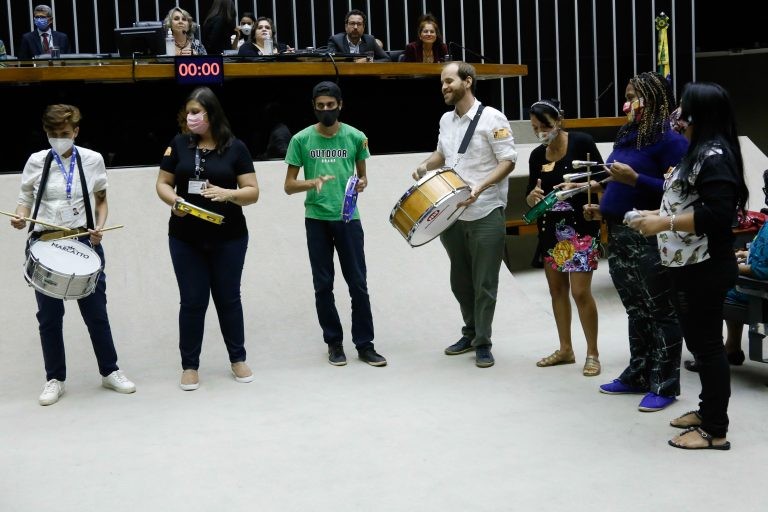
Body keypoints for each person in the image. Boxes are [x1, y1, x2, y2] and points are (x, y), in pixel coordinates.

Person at [627, 82, 747, 450]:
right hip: (688, 264)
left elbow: (718, 213)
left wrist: (663, 224)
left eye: (684, 107)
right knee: (699, 342)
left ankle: (714, 430)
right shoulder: (700, 151)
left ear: (700, 113)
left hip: (706, 266)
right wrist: (656, 213)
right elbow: (689, 200)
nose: (678, 114)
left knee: (708, 347)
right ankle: (706, 409)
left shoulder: (714, 155)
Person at [9, 104, 136, 405]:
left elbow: (102, 201)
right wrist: (19, 216)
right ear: (46, 133)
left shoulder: (93, 160)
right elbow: (25, 199)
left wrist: (99, 227)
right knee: (49, 318)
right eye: (52, 134)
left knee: (96, 313)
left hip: (83, 241)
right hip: (45, 243)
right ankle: (55, 378)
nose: (58, 139)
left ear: (76, 131)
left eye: (64, 133)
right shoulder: (36, 161)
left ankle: (110, 371)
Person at [583, 71, 688, 412]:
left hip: (649, 236)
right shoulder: (628, 134)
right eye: (626, 95)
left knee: (661, 310)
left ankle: (665, 384)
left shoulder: (670, 141)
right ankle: (638, 373)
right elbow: (620, 181)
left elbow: (681, 193)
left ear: (655, 100)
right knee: (636, 309)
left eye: (633, 96)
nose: (627, 103)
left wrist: (636, 177)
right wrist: (600, 201)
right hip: (619, 234)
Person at [412, 61, 517, 368]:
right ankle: (470, 332)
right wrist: (425, 165)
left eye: (449, 81)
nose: (444, 87)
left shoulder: (493, 117)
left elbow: (508, 161)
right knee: (460, 280)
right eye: (442, 83)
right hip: (451, 213)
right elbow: (443, 154)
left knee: (484, 282)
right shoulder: (447, 120)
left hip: (485, 210)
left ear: (467, 81)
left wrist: (481, 187)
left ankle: (483, 341)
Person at [156, 86, 259, 391]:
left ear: (211, 114)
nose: (190, 118)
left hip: (229, 237)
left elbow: (252, 192)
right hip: (185, 238)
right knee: (192, 301)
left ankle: (237, 359)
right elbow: (162, 183)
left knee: (228, 299)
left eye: (196, 112)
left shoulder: (236, 148)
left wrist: (229, 194)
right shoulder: (178, 144)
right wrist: (174, 201)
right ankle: (190, 366)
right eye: (188, 112)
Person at [283, 81, 386, 367]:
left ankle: (365, 344)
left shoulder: (356, 137)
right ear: (314, 107)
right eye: (320, 106)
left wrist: (362, 183)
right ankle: (334, 343)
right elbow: (289, 186)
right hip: (316, 220)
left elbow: (362, 176)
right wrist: (310, 182)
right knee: (323, 285)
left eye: (331, 105)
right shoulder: (301, 140)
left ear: (340, 105)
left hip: (348, 219)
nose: (326, 110)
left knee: (358, 284)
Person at [525, 99, 602, 376]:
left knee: (581, 292)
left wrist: (579, 185)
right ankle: (565, 348)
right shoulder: (537, 155)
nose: (541, 132)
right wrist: (531, 197)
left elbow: (604, 178)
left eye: (545, 126)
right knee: (557, 291)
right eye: (535, 128)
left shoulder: (582, 142)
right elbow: (530, 192)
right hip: (550, 230)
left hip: (580, 228)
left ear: (559, 121)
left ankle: (592, 352)